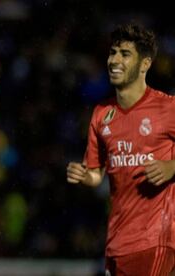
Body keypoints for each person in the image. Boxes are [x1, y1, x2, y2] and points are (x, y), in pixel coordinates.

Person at [67, 24, 175, 275]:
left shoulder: (167, 108)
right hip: (117, 242)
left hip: (155, 238)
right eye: (112, 52)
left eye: (125, 54)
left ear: (145, 64)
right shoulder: (102, 114)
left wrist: (172, 166)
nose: (114, 60)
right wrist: (86, 175)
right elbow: (96, 174)